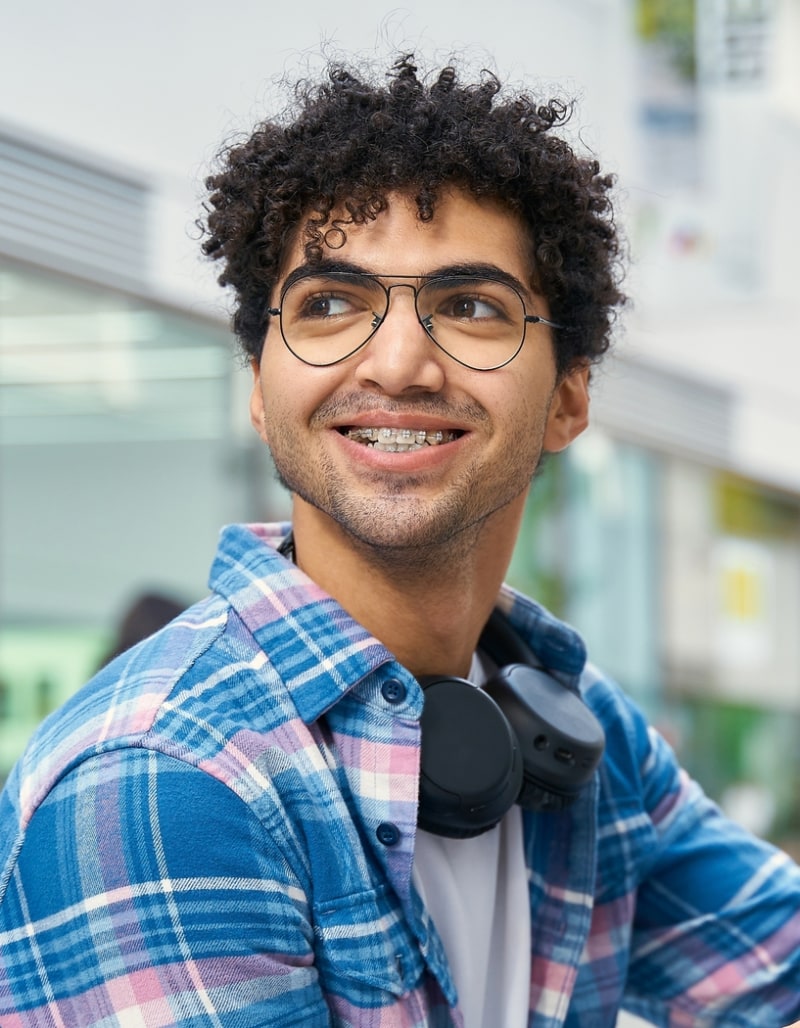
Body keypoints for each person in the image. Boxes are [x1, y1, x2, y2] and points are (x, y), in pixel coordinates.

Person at [0, 54, 798, 1028]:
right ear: (259, 384)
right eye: (329, 304)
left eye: (469, 306)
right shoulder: (161, 773)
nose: (397, 361)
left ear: (569, 395)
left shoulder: (566, 723)